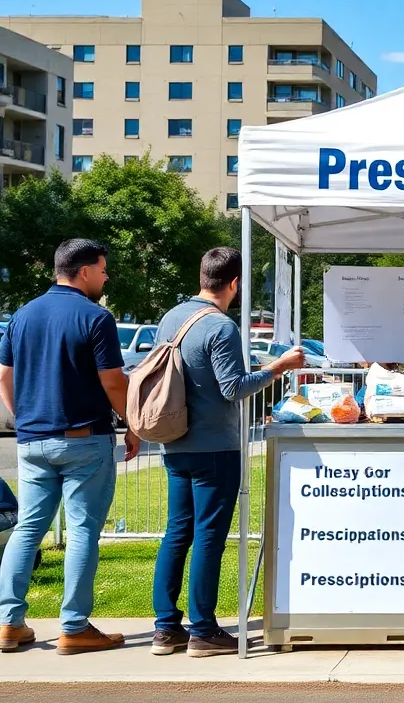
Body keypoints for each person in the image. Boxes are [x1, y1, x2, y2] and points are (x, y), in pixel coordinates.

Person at [149, 248, 306, 658]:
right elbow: (233, 387)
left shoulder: (171, 318)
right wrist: (278, 368)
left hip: (174, 441)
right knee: (208, 537)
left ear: (203, 276)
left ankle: (166, 628)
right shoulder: (221, 326)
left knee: (177, 532)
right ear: (234, 283)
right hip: (214, 446)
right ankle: (203, 630)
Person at [0, 239, 138, 655]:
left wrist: (23, 417)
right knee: (82, 532)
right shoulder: (96, 317)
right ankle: (74, 627)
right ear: (84, 271)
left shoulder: (22, 315)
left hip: (32, 441)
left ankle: (8, 624)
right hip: (84, 440)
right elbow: (113, 381)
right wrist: (133, 424)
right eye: (103, 269)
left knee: (28, 530)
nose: (106, 277)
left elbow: (4, 376)